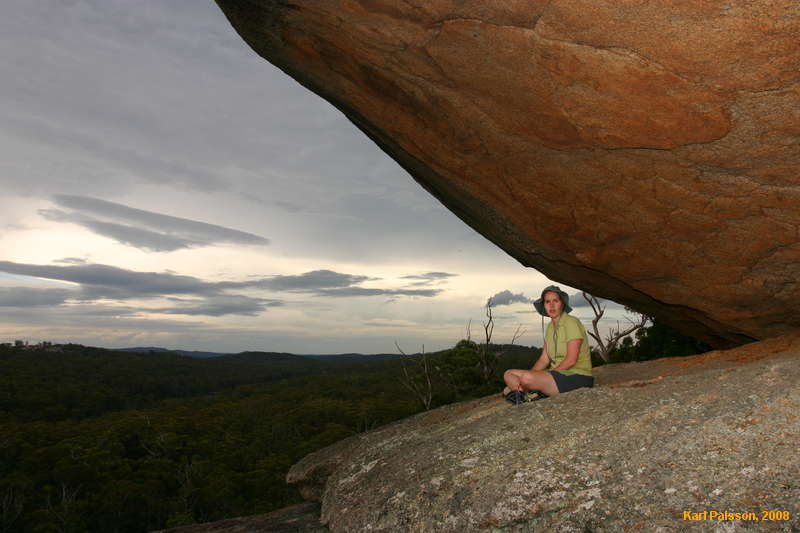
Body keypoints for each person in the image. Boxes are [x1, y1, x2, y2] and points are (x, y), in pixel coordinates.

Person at [503, 285, 593, 404]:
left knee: (521, 381)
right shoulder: (550, 328)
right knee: (509, 374)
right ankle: (528, 393)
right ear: (544, 306)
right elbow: (544, 359)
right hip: (556, 376)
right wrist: (532, 375)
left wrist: (532, 378)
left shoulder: (571, 322)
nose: (551, 305)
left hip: (577, 377)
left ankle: (524, 392)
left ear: (562, 303)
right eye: (547, 302)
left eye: (555, 301)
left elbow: (571, 360)